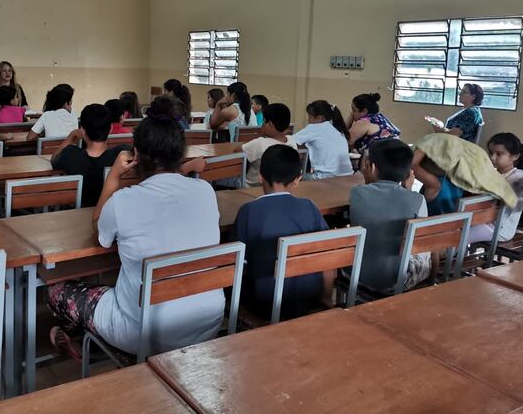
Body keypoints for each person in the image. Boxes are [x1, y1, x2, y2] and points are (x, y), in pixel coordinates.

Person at [46, 96, 222, 358]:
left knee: (57, 291)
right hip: (206, 322)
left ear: (136, 154)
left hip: (144, 331)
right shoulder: (205, 191)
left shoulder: (124, 201)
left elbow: (100, 233)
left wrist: (114, 176)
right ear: (181, 153)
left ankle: (90, 340)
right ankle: (94, 339)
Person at [233, 145, 330, 320]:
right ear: (297, 180)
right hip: (308, 299)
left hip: (265, 304)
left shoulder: (248, 211)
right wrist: (326, 299)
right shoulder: (310, 207)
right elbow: (329, 256)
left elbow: (238, 265)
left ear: (260, 176)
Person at [350, 139, 433, 293]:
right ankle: (433, 286)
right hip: (398, 281)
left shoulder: (357, 193)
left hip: (357, 276)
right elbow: (420, 242)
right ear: (409, 173)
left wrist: (369, 182)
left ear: (372, 167)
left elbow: (375, 199)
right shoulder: (417, 199)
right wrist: (406, 190)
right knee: (425, 242)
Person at [467, 133, 523, 243]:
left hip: (499, 228)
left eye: (499, 154)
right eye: (491, 153)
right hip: (481, 221)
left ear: (515, 156)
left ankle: (446, 256)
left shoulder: (520, 176)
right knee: (452, 231)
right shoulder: (489, 174)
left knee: (456, 238)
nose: (492, 157)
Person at [412, 133, 517, 216]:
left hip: (428, 234)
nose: (492, 158)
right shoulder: (465, 184)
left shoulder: (435, 184)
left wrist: (422, 147)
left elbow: (412, 164)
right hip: (455, 233)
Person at [50, 104, 132, 208]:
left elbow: (54, 159)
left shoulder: (70, 154)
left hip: (80, 212)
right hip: (113, 211)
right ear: (110, 128)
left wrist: (72, 135)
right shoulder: (121, 154)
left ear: (83, 130)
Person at [292, 100, 354, 180]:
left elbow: (289, 141)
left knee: (291, 179)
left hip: (325, 177)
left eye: (310, 117)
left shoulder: (315, 127)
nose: (308, 121)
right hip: (348, 175)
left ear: (319, 118)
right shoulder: (337, 129)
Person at [241, 103, 297, 187]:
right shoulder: (292, 141)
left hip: (252, 187)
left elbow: (237, 152)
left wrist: (260, 137)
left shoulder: (259, 143)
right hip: (278, 188)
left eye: (263, 121)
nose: (262, 124)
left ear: (269, 124)